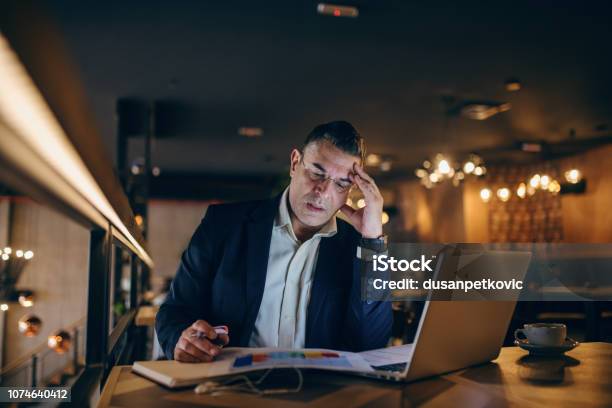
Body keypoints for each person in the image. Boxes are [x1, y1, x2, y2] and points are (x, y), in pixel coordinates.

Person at [156, 120, 392, 362]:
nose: (323, 191)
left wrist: (373, 240)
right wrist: (180, 339)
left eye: (342, 183)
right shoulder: (223, 224)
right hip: (230, 389)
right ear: (294, 163)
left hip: (318, 392)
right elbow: (175, 310)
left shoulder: (357, 247)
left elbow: (370, 343)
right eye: (317, 173)